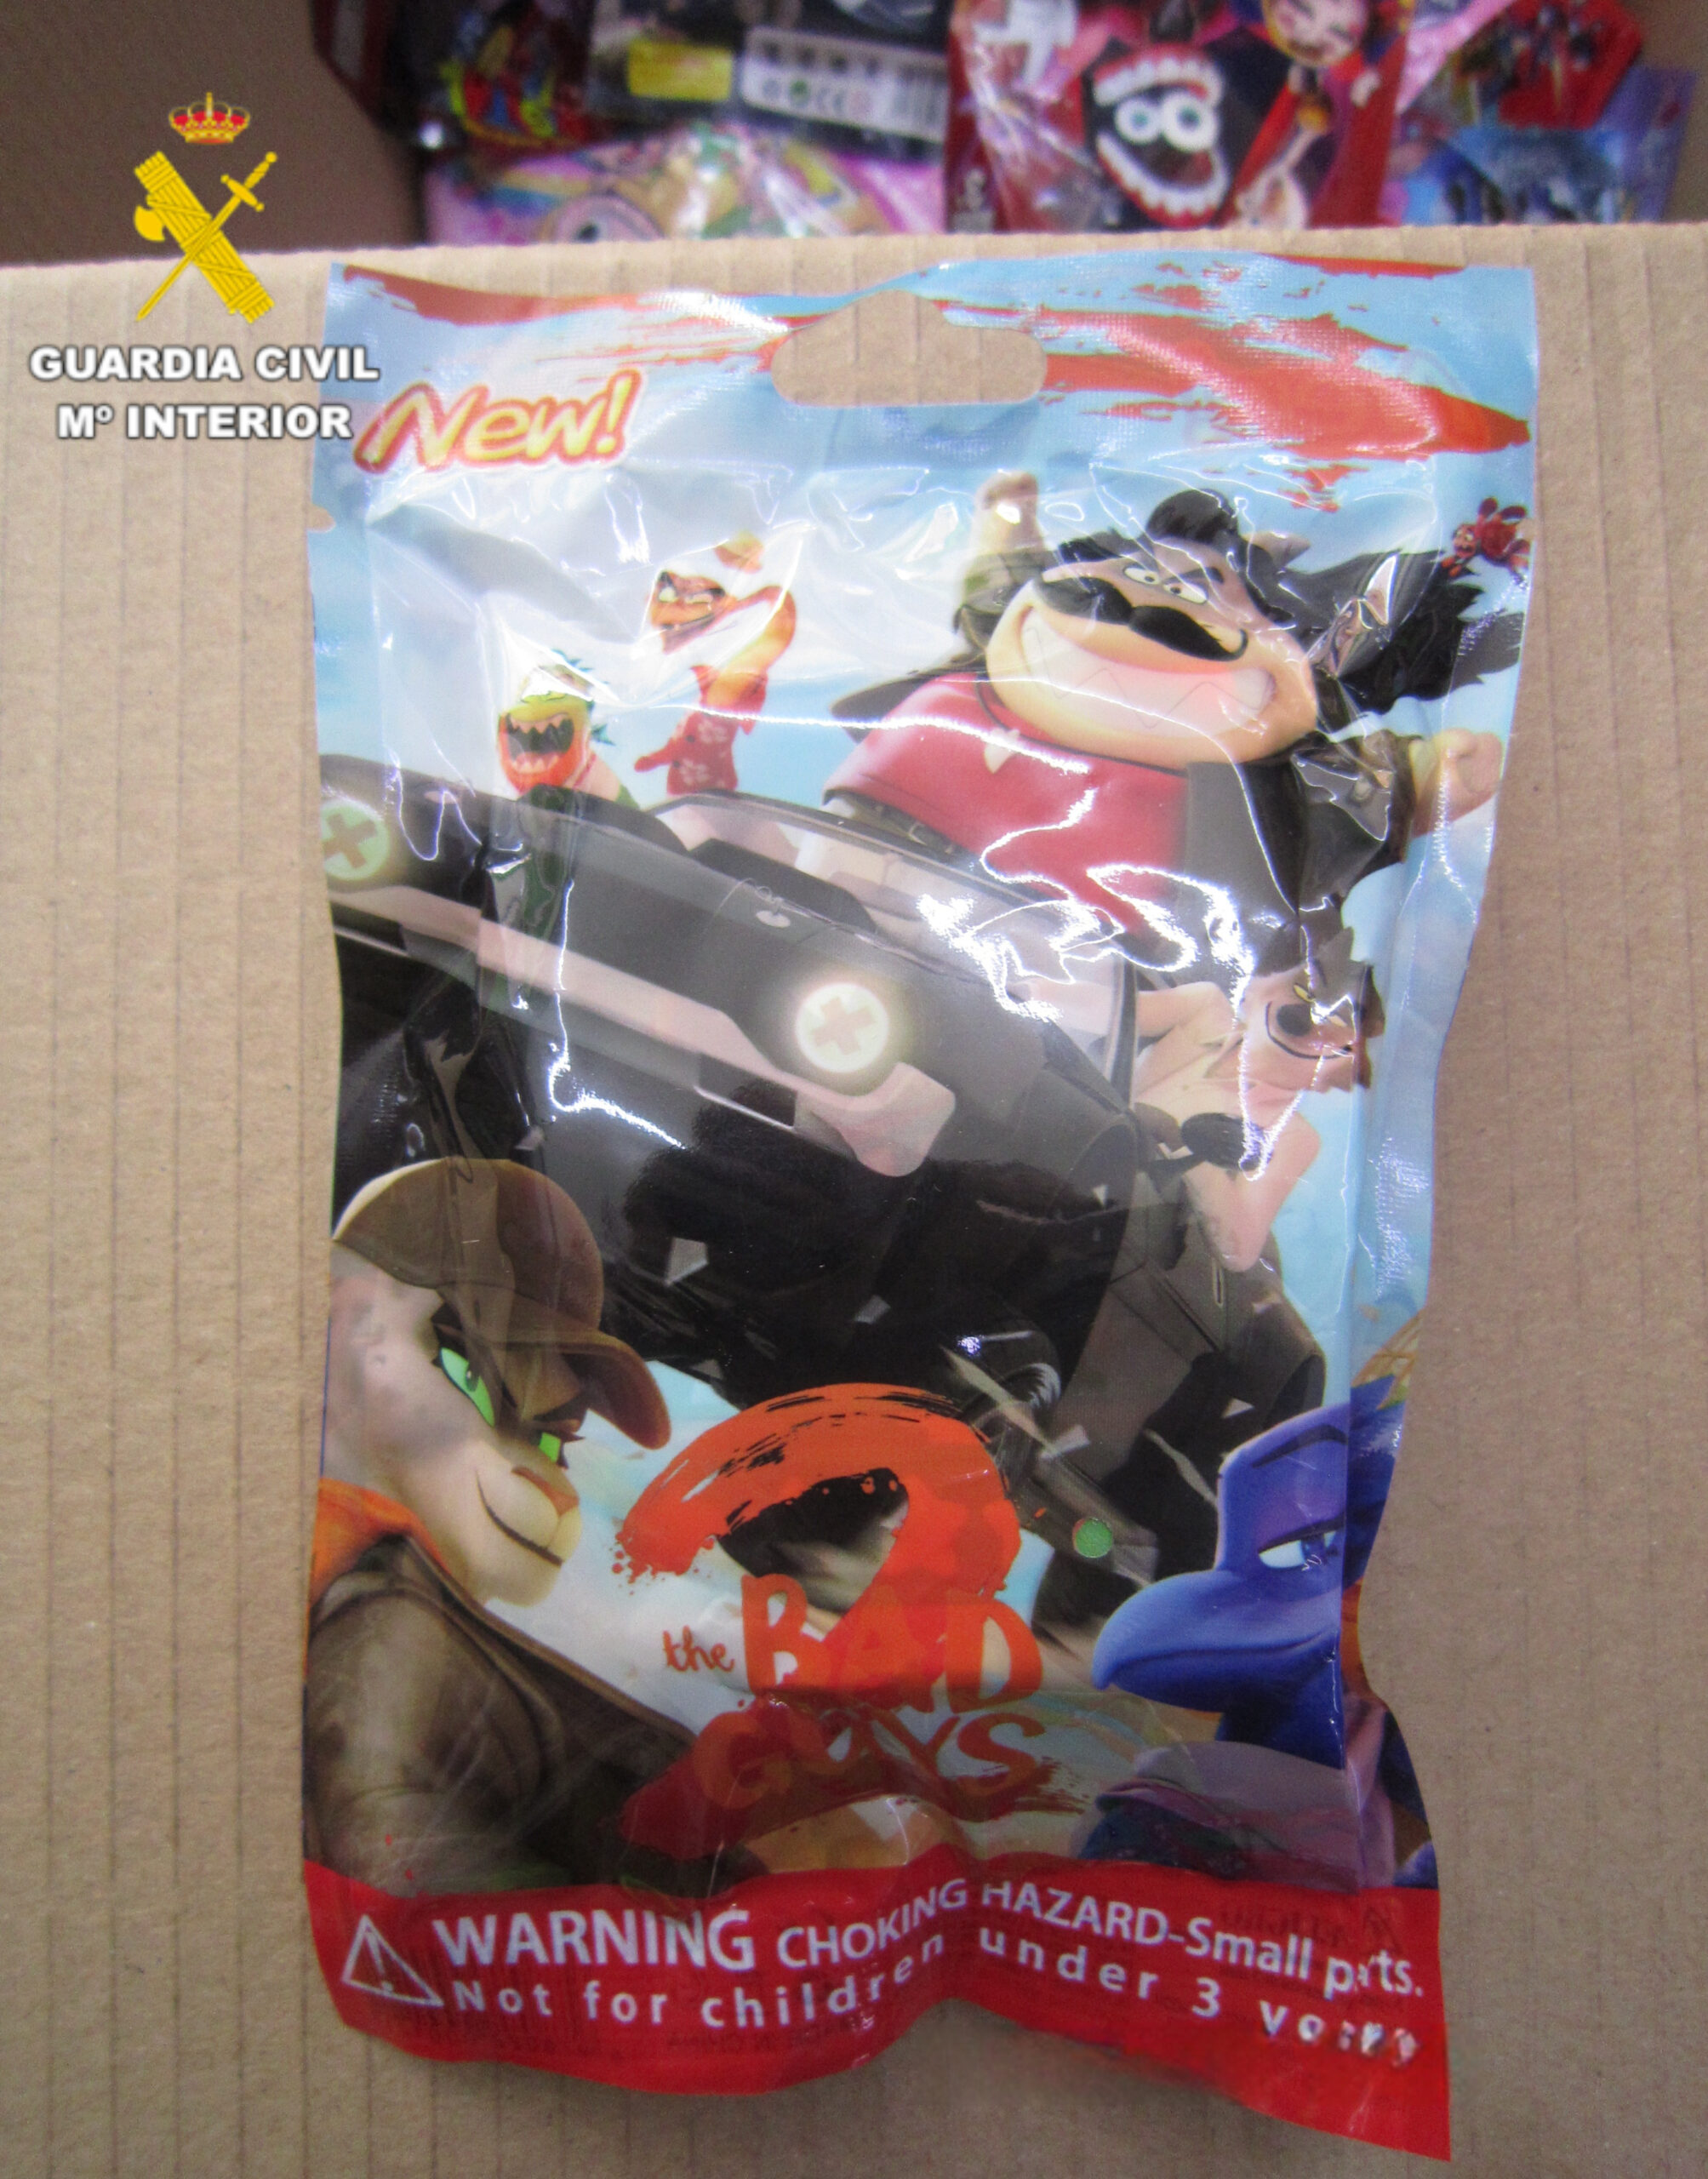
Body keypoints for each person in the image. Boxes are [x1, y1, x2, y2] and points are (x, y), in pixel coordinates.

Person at [304, 1155, 740, 1898]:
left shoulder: (436, 1613)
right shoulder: (383, 1619)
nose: (549, 1486)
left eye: (551, 1438)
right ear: (347, 1323)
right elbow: (400, 1853)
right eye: (478, 1383)